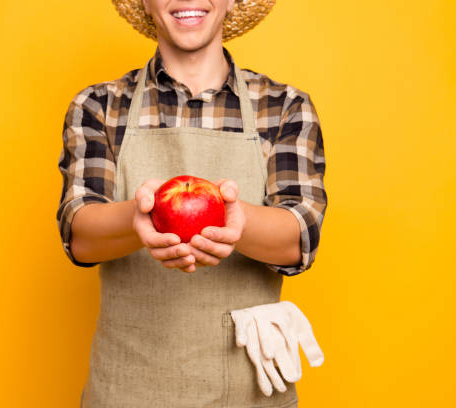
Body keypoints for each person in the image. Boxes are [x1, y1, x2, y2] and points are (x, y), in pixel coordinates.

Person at [57, 0, 327, 406]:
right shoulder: (99, 107)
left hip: (247, 393)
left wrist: (239, 224)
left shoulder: (285, 108)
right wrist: (136, 217)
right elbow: (80, 234)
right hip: (128, 389)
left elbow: (300, 239)